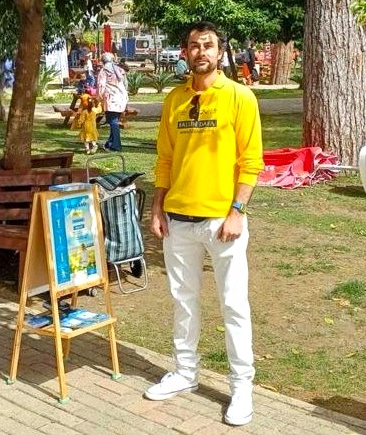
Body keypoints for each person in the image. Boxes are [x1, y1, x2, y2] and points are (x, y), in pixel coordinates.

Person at [144, 21, 264, 427]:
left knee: (234, 305)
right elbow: (164, 160)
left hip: (222, 222)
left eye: (208, 45)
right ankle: (184, 372)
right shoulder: (174, 100)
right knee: (183, 300)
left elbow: (251, 162)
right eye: (194, 46)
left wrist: (237, 211)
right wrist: (157, 208)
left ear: (220, 51)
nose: (201, 52)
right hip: (178, 221)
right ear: (186, 52)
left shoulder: (240, 97)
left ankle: (242, 386)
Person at [97, 52, 128, 152]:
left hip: (111, 99)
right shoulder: (120, 70)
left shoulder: (104, 71)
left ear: (103, 61)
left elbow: (101, 86)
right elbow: (126, 84)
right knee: (113, 121)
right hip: (121, 98)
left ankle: (116, 145)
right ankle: (110, 143)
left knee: (113, 122)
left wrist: (99, 98)